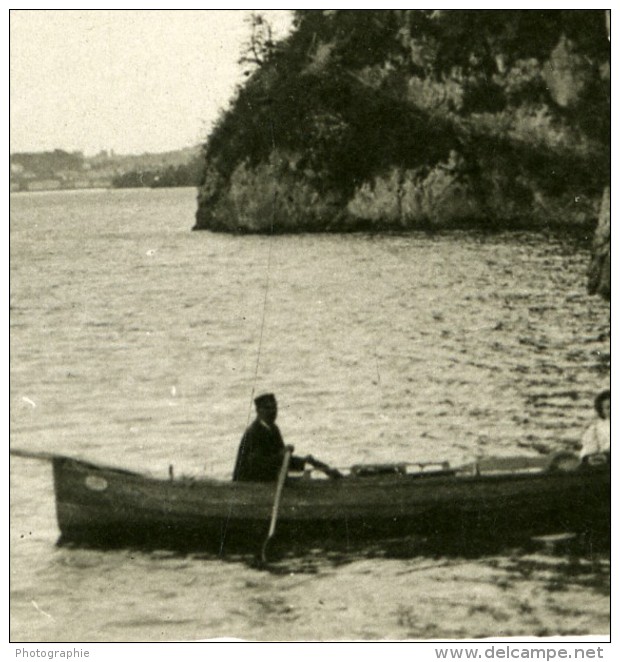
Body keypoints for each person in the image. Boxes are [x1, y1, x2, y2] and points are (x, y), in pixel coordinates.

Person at [232, 393, 342, 482]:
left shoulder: (273, 429)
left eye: (275, 407)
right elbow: (257, 465)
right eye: (268, 408)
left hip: (269, 480)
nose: (273, 411)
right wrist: (282, 455)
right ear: (259, 411)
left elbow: (282, 460)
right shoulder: (253, 432)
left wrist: (306, 462)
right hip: (249, 483)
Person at [579, 389, 610, 462]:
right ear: (602, 411)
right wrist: (589, 457)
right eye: (608, 408)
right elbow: (589, 449)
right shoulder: (596, 428)